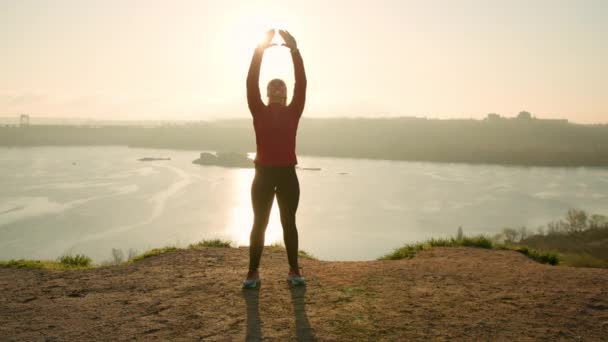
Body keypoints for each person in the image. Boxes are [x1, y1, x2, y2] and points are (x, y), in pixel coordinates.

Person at [243, 29, 307, 288]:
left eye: (280, 87)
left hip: (281, 174)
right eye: (275, 87)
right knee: (263, 223)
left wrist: (293, 51)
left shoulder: (291, 111)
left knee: (283, 222)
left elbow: (301, 84)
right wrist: (263, 51)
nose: (278, 89)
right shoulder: (260, 110)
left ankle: (290, 271)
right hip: (267, 174)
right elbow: (251, 82)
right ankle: (255, 272)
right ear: (270, 93)